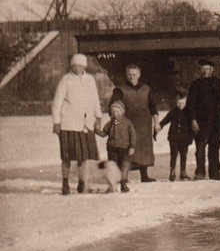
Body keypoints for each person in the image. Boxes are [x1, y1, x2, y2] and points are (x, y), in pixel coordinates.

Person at [52, 53, 105, 195]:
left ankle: (82, 185)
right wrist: (56, 123)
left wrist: (98, 117)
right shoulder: (66, 80)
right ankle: (65, 184)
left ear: (84, 66)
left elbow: (95, 100)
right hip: (68, 124)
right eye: (74, 65)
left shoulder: (90, 80)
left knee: (83, 157)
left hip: (86, 125)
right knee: (67, 157)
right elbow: (56, 103)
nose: (76, 68)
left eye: (79, 65)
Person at [109, 64, 159, 183]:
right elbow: (112, 106)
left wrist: (156, 123)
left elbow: (153, 107)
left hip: (144, 125)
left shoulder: (147, 89)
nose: (131, 77)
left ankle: (144, 176)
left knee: (144, 149)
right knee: (126, 149)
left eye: (134, 74)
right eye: (129, 75)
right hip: (127, 124)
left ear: (139, 75)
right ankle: (123, 177)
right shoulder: (120, 89)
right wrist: (115, 118)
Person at [188, 58, 220, 179]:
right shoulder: (195, 85)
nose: (205, 71)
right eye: (203, 69)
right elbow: (191, 104)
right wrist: (193, 119)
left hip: (216, 121)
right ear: (200, 70)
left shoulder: (218, 82)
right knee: (200, 148)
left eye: (208, 69)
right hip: (201, 122)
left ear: (212, 70)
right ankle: (200, 172)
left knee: (214, 148)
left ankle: (214, 172)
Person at [97, 100, 135, 192]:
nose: (115, 113)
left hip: (124, 148)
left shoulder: (127, 123)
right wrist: (96, 130)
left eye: (117, 111)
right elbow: (104, 133)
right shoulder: (110, 123)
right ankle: (112, 185)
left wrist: (132, 147)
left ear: (122, 112)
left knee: (124, 165)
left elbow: (133, 135)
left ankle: (123, 184)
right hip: (112, 148)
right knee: (112, 166)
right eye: (113, 111)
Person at [160, 92, 193, 180]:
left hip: (184, 139)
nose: (180, 105)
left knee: (183, 155)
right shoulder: (173, 111)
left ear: (186, 102)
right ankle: (172, 172)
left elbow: (191, 127)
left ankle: (183, 172)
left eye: (182, 103)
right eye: (178, 103)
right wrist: (159, 126)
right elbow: (165, 120)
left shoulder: (188, 112)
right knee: (173, 154)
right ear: (176, 102)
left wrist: (190, 138)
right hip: (173, 138)